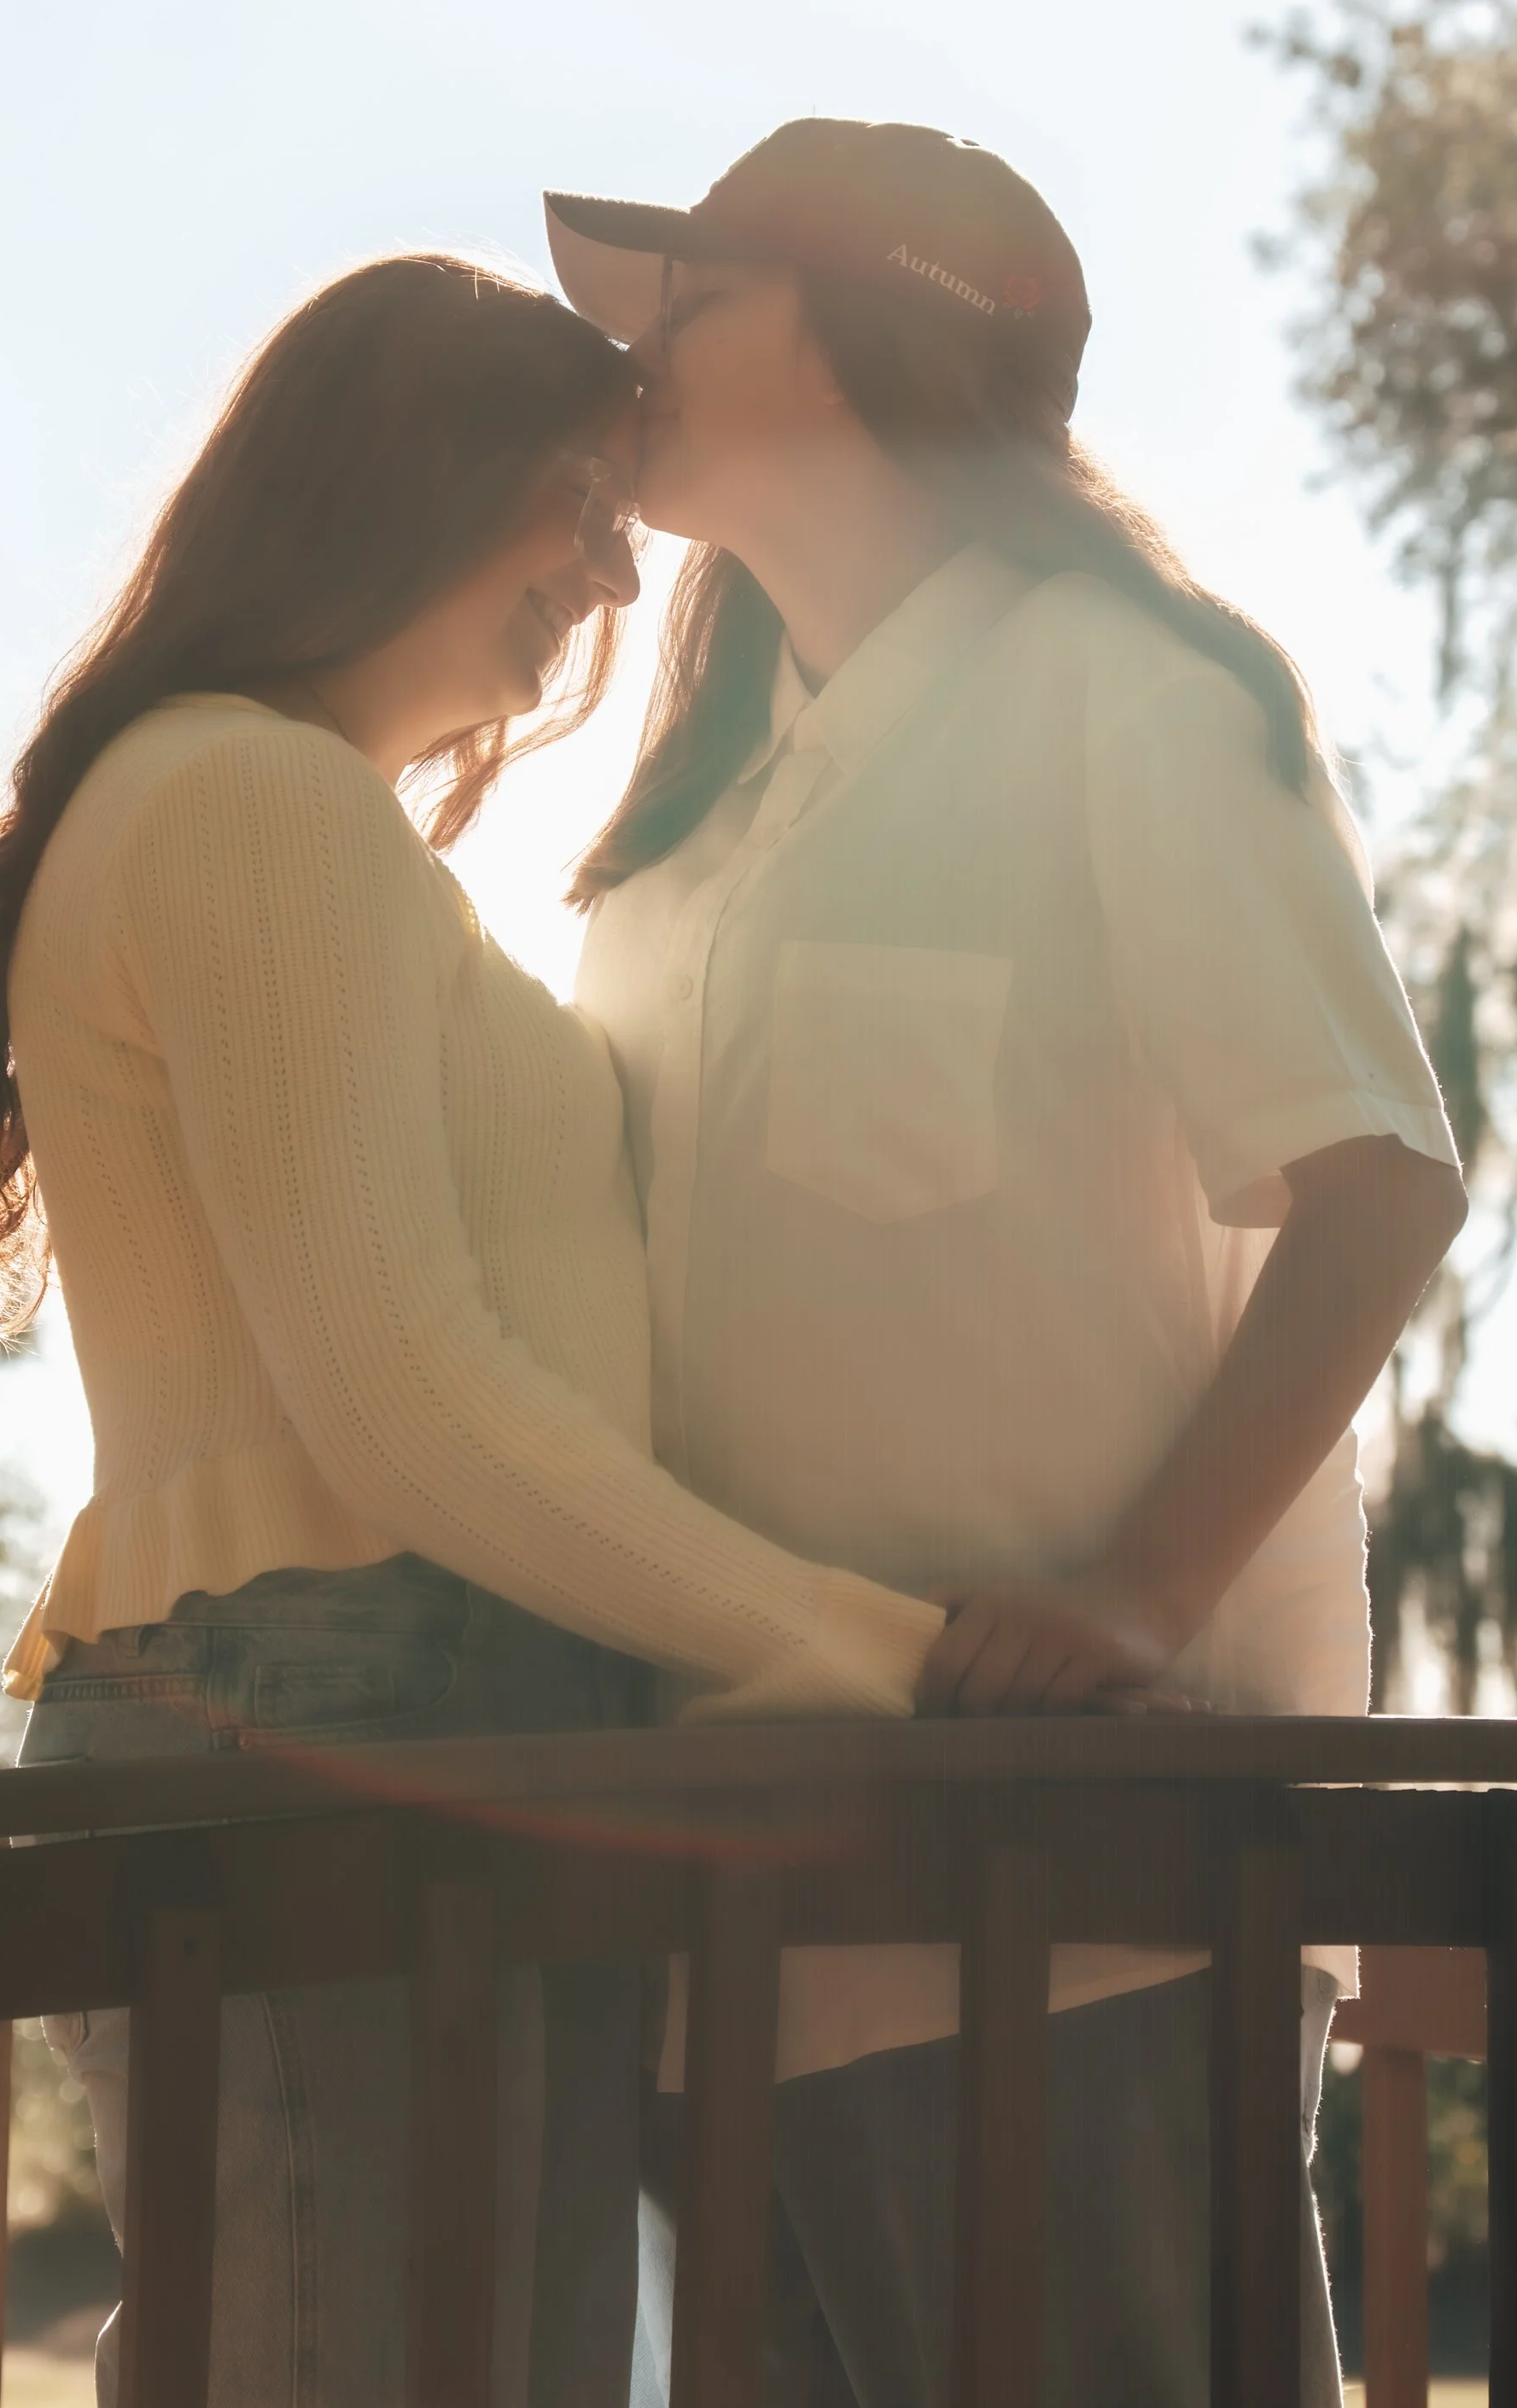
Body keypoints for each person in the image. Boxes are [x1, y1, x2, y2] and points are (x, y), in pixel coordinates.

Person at [0, 254, 959, 2408]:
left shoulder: (302, 824)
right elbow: (398, 1385)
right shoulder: (252, 803)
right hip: (342, 1704)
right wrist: (866, 1646)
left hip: (393, 1706)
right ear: (400, 476)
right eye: (566, 501)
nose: (600, 574)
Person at [549, 125, 1469, 2407]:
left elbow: (1377, 1184)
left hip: (1080, 1905)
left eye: (696, 294)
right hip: (723, 1922)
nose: (628, 348)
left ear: (873, 334)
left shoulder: (1130, 695)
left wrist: (1141, 1597)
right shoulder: (663, 844)